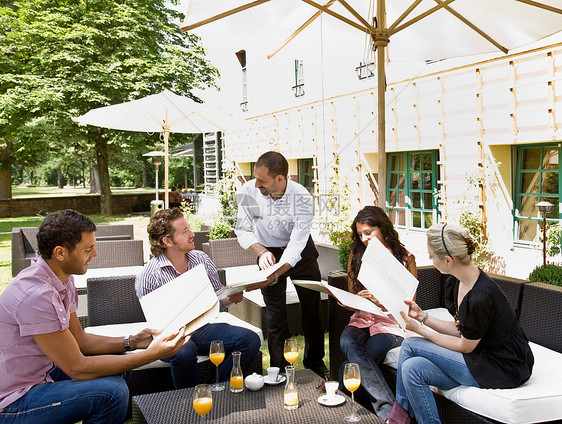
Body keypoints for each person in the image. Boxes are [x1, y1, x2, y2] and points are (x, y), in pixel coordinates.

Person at [0, 209, 188, 424]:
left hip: (42, 375)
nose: (95, 254)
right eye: (88, 249)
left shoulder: (61, 278)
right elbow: (77, 368)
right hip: (12, 401)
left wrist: (133, 342)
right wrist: (152, 354)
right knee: (112, 392)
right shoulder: (36, 296)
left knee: (119, 367)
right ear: (60, 253)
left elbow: (81, 341)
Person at [389, 223, 534, 424]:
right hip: (478, 355)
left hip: (501, 366)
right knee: (412, 368)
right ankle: (404, 419)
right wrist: (422, 316)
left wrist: (420, 330)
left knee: (411, 344)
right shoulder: (458, 282)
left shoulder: (480, 295)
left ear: (448, 260)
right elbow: (462, 330)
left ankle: (398, 419)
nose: (429, 259)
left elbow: (465, 345)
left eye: (431, 256)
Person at [135, 208, 261, 389]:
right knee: (184, 351)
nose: (192, 234)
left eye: (189, 229)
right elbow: (154, 322)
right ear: (167, 241)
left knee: (250, 340)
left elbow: (218, 296)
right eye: (185, 232)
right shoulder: (149, 275)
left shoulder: (200, 259)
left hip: (202, 328)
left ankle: (218, 387)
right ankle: (189, 401)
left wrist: (231, 298)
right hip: (170, 335)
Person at [235, 151, 328, 377]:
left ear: (280, 179)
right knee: (275, 314)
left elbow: (296, 246)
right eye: (255, 178)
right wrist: (260, 251)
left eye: (262, 180)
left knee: (312, 311)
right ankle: (279, 368)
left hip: (300, 252)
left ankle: (315, 363)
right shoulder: (248, 192)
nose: (256, 184)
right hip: (266, 250)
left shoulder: (302, 198)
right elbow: (243, 230)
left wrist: (276, 274)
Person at [339, 206, 417, 422]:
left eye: (368, 232)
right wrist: (349, 299)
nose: (363, 238)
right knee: (347, 340)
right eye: (360, 233)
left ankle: (383, 412)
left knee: (355, 363)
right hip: (363, 317)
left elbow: (410, 307)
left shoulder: (406, 258)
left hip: (390, 323)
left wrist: (380, 299)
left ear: (382, 228)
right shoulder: (357, 254)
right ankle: (396, 414)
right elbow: (352, 295)